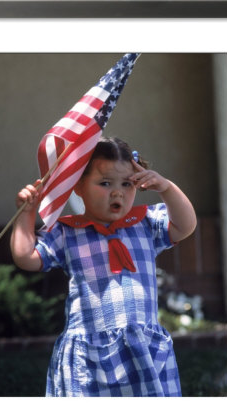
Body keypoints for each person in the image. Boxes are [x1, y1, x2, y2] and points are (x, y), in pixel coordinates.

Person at [10, 136, 197, 397]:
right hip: (89, 354)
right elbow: (26, 256)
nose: (118, 191)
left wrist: (166, 188)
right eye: (105, 183)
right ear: (78, 185)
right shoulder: (68, 232)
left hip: (141, 348)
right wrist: (27, 214)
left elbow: (185, 226)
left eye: (127, 183)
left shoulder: (144, 223)